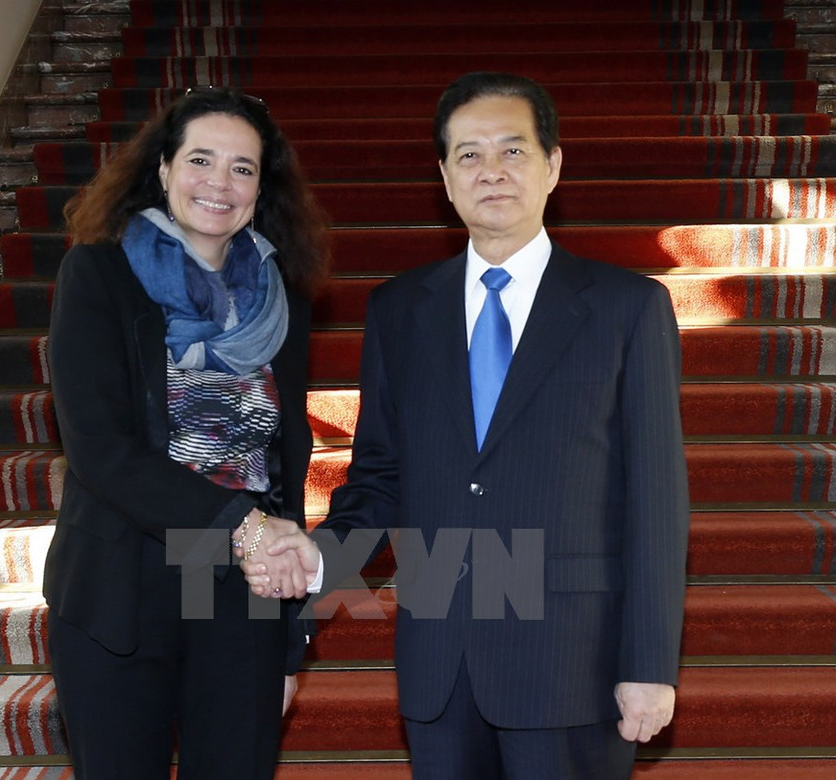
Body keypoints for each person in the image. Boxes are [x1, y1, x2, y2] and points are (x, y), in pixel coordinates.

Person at [243, 72, 690, 779]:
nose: (492, 172)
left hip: (572, 665)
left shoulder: (626, 309)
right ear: (445, 179)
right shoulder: (400, 312)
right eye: (469, 156)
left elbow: (657, 504)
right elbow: (378, 484)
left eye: (513, 151)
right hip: (439, 668)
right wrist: (303, 596)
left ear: (554, 166)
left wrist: (649, 663)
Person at [43, 86, 327, 779]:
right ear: (164, 170)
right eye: (201, 159)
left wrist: (289, 636)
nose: (219, 183)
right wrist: (242, 523)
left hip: (239, 590)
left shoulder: (279, 295)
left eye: (243, 168)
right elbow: (101, 451)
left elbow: (285, 464)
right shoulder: (97, 274)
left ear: (261, 189)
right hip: (122, 584)